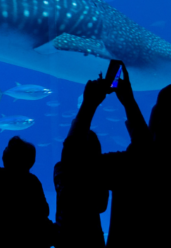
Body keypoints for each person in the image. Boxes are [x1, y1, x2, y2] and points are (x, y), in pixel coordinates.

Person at [97, 65, 171, 248]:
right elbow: (150, 154)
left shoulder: (134, 162)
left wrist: (90, 105)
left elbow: (73, 164)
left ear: (159, 116)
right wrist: (129, 103)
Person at [0, 103, 52, 248]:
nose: (4, 150)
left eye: (7, 149)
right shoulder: (32, 181)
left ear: (7, 157)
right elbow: (44, 210)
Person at [53, 77, 111, 248]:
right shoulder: (101, 173)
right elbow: (101, 207)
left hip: (65, 236)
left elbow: (71, 148)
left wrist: (89, 104)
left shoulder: (61, 170)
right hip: (92, 237)